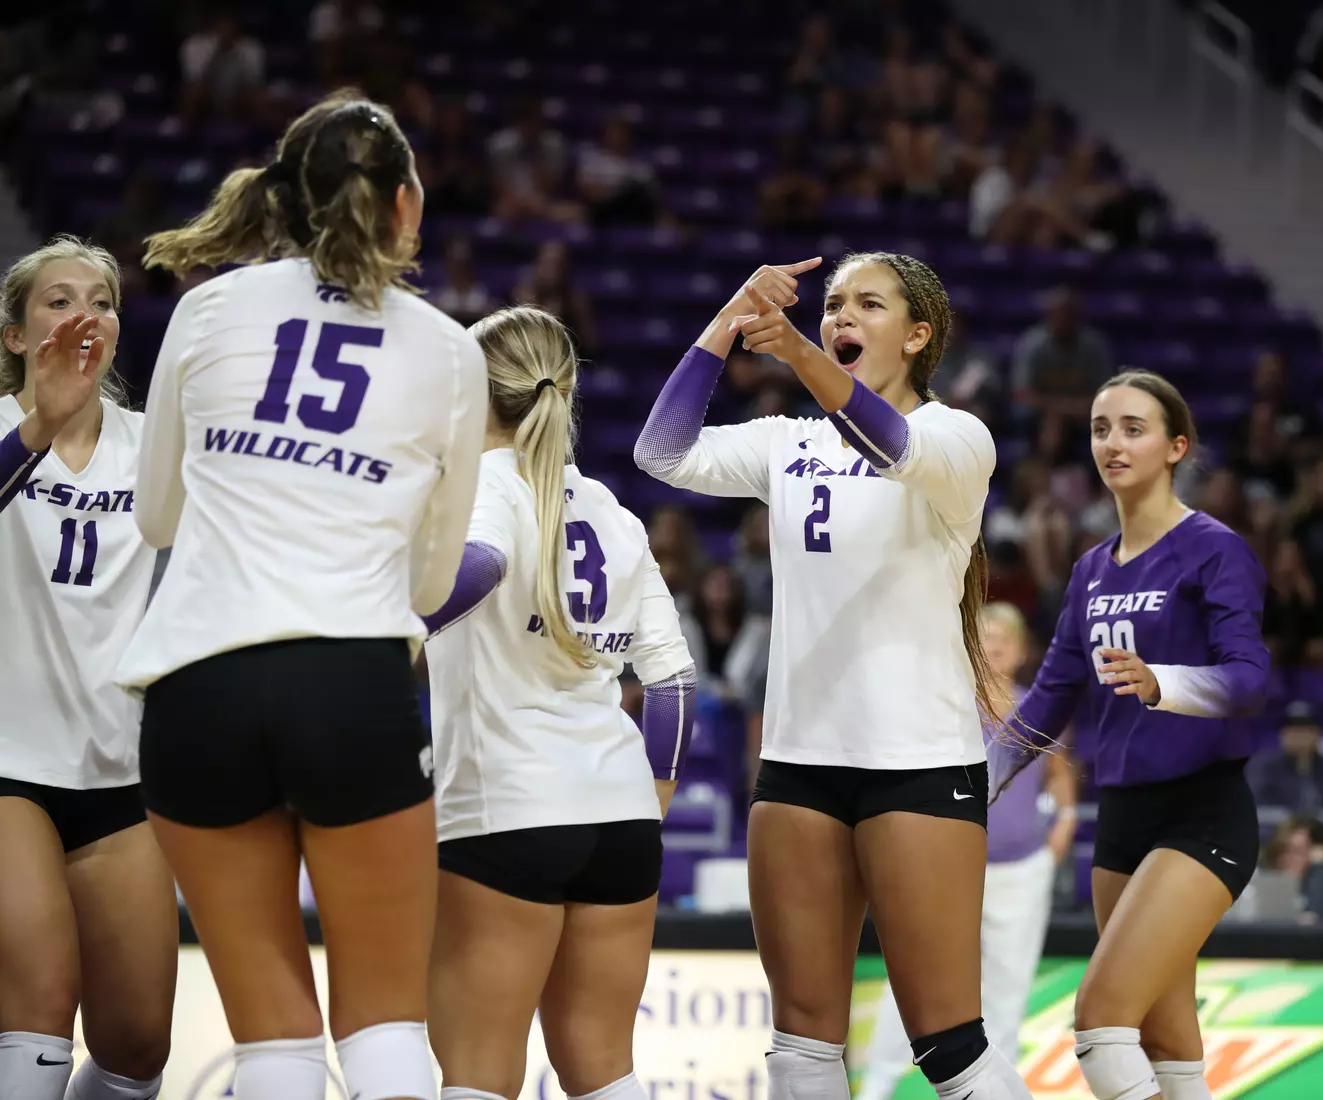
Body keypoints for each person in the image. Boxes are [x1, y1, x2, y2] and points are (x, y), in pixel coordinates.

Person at [114, 92, 488, 1100]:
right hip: (346, 678)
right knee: (385, 1027)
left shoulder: (206, 308)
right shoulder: (451, 349)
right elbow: (434, 578)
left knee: (274, 1039)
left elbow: (155, 518)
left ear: (281, 195)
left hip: (198, 684)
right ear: (407, 203)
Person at [634, 253, 1030, 1100]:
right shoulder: (789, 443)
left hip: (918, 765)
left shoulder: (958, 439)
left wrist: (801, 361)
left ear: (918, 335)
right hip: (799, 762)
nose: (841, 316)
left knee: (950, 1046)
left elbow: (888, 442)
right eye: (833, 304)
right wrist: (727, 320)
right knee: (802, 1046)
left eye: (869, 305)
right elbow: (660, 452)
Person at [420, 306, 696, 1100]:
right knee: (605, 1071)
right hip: (618, 819)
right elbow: (673, 682)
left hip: (506, 809)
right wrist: (652, 801)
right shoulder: (611, 510)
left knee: (476, 1072)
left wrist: (390, 627)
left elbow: (480, 564)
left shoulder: (480, 488)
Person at [994, 369, 1270, 1100]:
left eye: (1133, 428)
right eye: (1099, 428)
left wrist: (1166, 682)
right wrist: (968, 785)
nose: (1111, 443)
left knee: (1100, 1024)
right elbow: (1050, 696)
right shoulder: (1088, 570)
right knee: (1164, 1039)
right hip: (1120, 820)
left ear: (1177, 446)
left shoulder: (1215, 549)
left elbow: (1250, 681)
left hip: (1201, 813)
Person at [0, 238, 177, 1100]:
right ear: (14, 334)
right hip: (7, 770)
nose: (84, 317)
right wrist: (39, 421)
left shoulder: (152, 444)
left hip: (116, 771)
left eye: (101, 302)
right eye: (58, 301)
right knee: (36, 1006)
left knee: (138, 1046)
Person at [859, 603, 1079, 1100]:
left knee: (1007, 991)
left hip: (1022, 870)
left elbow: (1062, 777)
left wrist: (1061, 830)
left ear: (1023, 650)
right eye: (987, 636)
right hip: (947, 870)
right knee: (918, 982)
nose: (996, 644)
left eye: (1006, 636)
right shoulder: (947, 703)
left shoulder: (1039, 708)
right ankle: (877, 1085)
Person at [1246, 703, 1323, 813]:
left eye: (1304, 729)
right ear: (1282, 735)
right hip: (1277, 829)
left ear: (1318, 734)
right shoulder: (1264, 769)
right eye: (1292, 729)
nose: (1298, 735)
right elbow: (1260, 810)